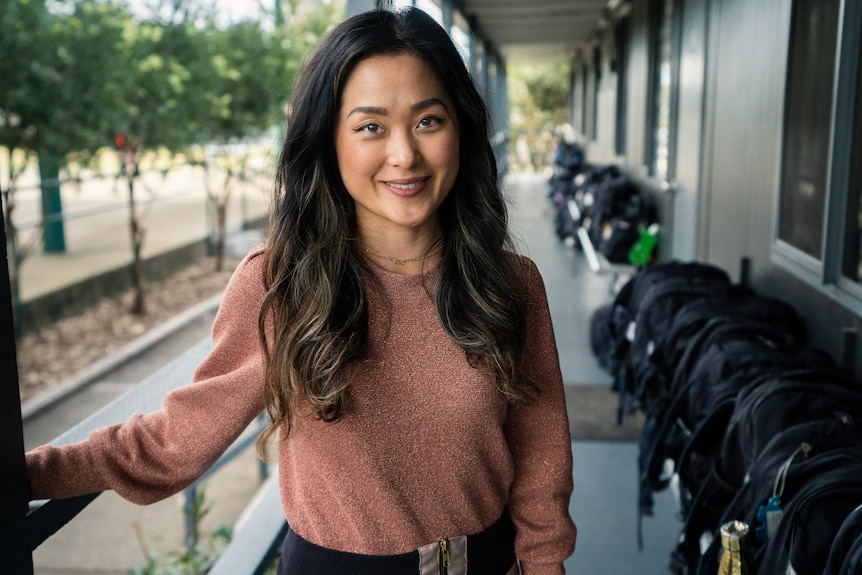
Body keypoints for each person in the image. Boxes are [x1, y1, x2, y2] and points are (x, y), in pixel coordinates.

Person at [25, 6, 577, 574]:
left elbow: (541, 456)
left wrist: (545, 563)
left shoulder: (511, 285)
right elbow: (179, 437)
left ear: (460, 127)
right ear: (328, 140)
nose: (404, 154)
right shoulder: (284, 284)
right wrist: (31, 472)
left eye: (428, 120)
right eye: (370, 127)